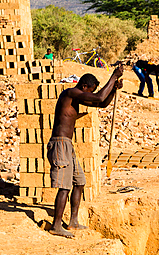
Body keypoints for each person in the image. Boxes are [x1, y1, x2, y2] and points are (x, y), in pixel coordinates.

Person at [47, 66, 123, 238]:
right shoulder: (70, 93)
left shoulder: (76, 98)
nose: (90, 94)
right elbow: (98, 96)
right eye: (90, 90)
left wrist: (113, 90)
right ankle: (56, 225)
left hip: (68, 145)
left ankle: (73, 221)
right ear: (84, 87)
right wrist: (113, 77)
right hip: (59, 144)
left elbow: (102, 103)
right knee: (64, 187)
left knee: (79, 181)